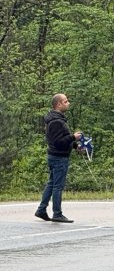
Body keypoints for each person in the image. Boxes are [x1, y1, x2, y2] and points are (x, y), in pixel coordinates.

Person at [35, 93, 81, 223]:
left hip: (55, 156)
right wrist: (73, 137)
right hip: (59, 158)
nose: (68, 103)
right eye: (66, 101)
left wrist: (75, 146)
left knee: (51, 184)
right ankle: (57, 213)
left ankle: (41, 209)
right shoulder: (56, 122)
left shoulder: (57, 119)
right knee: (57, 187)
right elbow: (58, 142)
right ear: (58, 104)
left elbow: (62, 140)